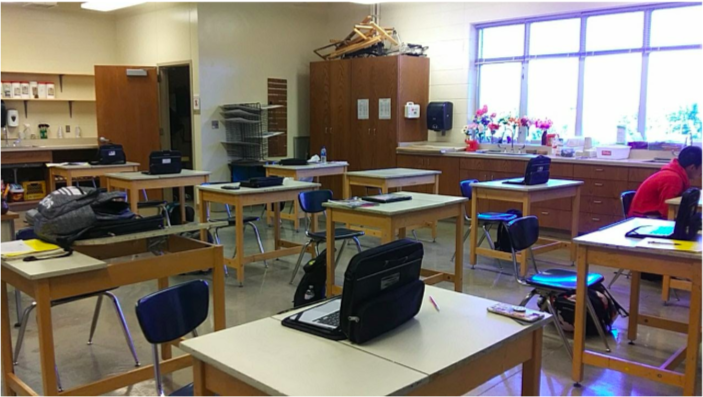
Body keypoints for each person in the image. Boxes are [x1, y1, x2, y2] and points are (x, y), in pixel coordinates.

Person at [629, 146, 702, 219]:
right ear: (692, 167)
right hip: (645, 219)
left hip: (649, 216)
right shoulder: (673, 179)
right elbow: (667, 212)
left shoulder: (676, 174)